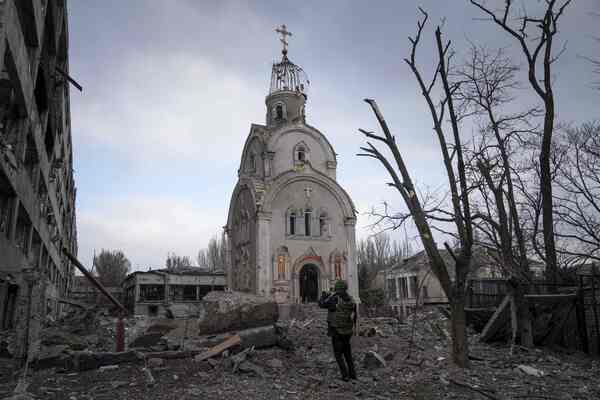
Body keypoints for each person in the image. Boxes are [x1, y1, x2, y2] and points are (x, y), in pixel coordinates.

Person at [318, 280, 357, 381]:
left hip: (337, 331)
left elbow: (321, 304)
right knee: (347, 353)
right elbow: (354, 316)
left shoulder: (334, 299)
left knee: (338, 354)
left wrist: (324, 295)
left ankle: (345, 375)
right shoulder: (351, 300)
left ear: (337, 289)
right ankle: (353, 374)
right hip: (348, 331)